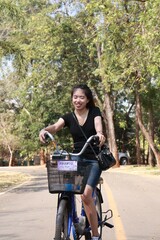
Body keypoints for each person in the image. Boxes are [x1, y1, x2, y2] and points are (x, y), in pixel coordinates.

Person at [39, 84, 105, 240]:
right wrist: (44, 130)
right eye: (75, 97)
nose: (78, 100)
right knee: (66, 187)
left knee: (86, 196)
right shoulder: (68, 117)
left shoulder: (94, 112)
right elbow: (55, 126)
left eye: (82, 97)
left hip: (93, 159)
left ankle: (95, 236)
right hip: (76, 158)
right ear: (72, 99)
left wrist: (100, 134)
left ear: (88, 99)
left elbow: (98, 127)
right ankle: (70, 215)